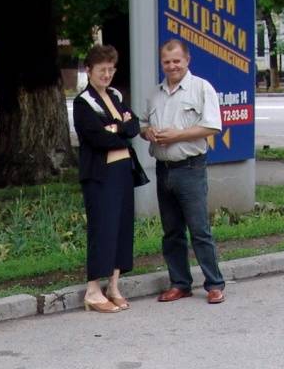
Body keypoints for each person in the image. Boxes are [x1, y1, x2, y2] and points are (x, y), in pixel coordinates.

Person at [141, 38, 226, 304]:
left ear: (187, 61)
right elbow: (143, 125)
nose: (172, 66)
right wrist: (149, 133)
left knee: (199, 229)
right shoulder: (155, 93)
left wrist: (177, 135)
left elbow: (212, 127)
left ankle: (214, 284)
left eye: (176, 61)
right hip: (164, 169)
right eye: (166, 62)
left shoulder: (201, 88)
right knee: (172, 232)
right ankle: (180, 283)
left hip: (190, 167)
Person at [72, 44, 141, 313]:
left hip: (123, 171)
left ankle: (113, 285)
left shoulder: (115, 94)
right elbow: (98, 138)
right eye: (102, 70)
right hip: (100, 175)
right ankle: (93, 290)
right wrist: (118, 128)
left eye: (111, 69)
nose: (107, 75)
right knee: (103, 227)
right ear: (88, 70)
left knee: (122, 227)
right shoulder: (83, 103)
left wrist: (118, 127)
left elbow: (133, 127)